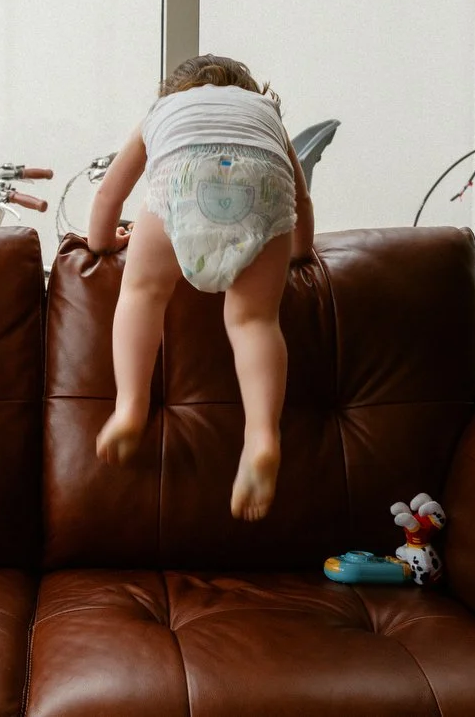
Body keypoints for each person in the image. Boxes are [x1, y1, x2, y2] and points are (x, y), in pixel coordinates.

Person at [89, 54, 314, 521]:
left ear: (175, 92)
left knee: (143, 294)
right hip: (263, 187)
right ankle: (261, 436)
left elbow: (111, 191)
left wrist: (102, 241)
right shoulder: (263, 114)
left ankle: (130, 407)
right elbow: (301, 195)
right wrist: (296, 248)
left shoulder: (163, 112)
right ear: (250, 90)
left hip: (182, 182)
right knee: (254, 320)